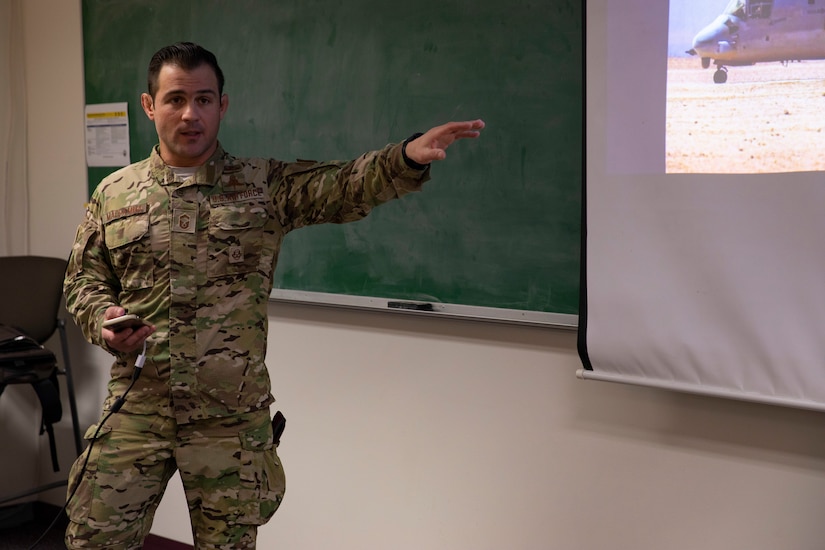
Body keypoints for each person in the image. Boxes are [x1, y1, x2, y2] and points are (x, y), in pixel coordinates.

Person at [63, 41, 484, 549]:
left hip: (229, 416)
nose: (190, 113)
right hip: (138, 406)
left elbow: (343, 185)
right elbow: (83, 282)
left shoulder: (263, 186)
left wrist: (406, 158)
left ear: (224, 105)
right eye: (175, 99)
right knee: (92, 539)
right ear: (150, 105)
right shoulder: (115, 193)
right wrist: (102, 321)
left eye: (204, 98)